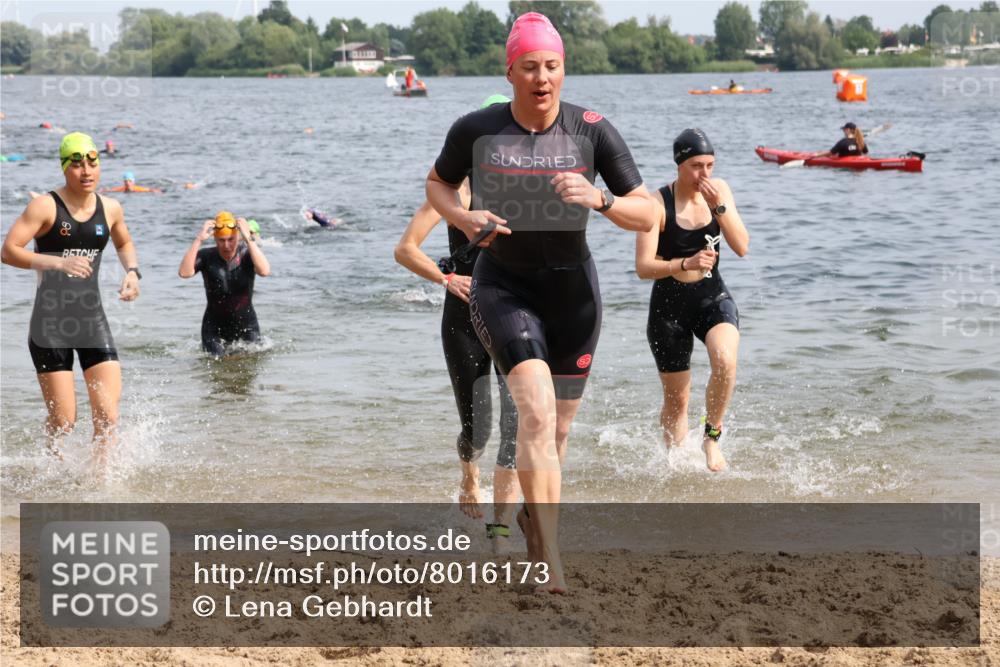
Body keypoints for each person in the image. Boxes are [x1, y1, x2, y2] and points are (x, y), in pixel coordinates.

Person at [425, 12, 655, 593]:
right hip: (503, 287)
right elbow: (437, 185)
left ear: (563, 70)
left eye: (552, 66)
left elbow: (648, 211)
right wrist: (461, 215)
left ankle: (532, 520)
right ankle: (549, 557)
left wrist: (600, 200)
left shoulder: (592, 130)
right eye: (530, 66)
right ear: (511, 72)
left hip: (574, 294)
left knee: (556, 435)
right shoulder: (477, 130)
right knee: (534, 412)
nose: (542, 77)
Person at [396, 94, 522, 550]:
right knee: (480, 427)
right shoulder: (455, 193)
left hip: (513, 312)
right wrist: (446, 278)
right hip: (463, 317)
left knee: (516, 422)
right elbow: (405, 249)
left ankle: (501, 525)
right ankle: (469, 476)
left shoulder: (525, 188)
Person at [1, 132, 141, 472]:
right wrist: (57, 261)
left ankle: (101, 480)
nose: (86, 171)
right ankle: (50, 459)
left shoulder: (111, 208)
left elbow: (123, 242)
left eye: (92, 163)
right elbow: (8, 251)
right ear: (65, 168)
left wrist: (133, 272)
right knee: (65, 420)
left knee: (108, 414)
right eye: (77, 164)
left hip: (92, 320)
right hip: (50, 325)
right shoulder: (45, 206)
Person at [636, 128, 749, 473]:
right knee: (677, 401)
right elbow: (643, 267)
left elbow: (742, 246)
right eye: (697, 166)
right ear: (679, 165)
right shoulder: (656, 204)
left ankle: (711, 438)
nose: (706, 174)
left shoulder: (720, 192)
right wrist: (684, 263)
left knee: (725, 361)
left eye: (710, 165)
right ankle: (676, 466)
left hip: (712, 298)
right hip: (669, 311)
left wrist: (721, 207)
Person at [178, 211, 271, 358]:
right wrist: (198, 240)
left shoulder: (247, 254)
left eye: (231, 239)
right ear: (215, 238)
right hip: (213, 327)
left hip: (247, 325)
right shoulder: (206, 256)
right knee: (217, 367)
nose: (227, 245)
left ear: (238, 236)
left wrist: (248, 238)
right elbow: (185, 273)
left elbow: (265, 271)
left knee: (251, 366)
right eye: (221, 240)